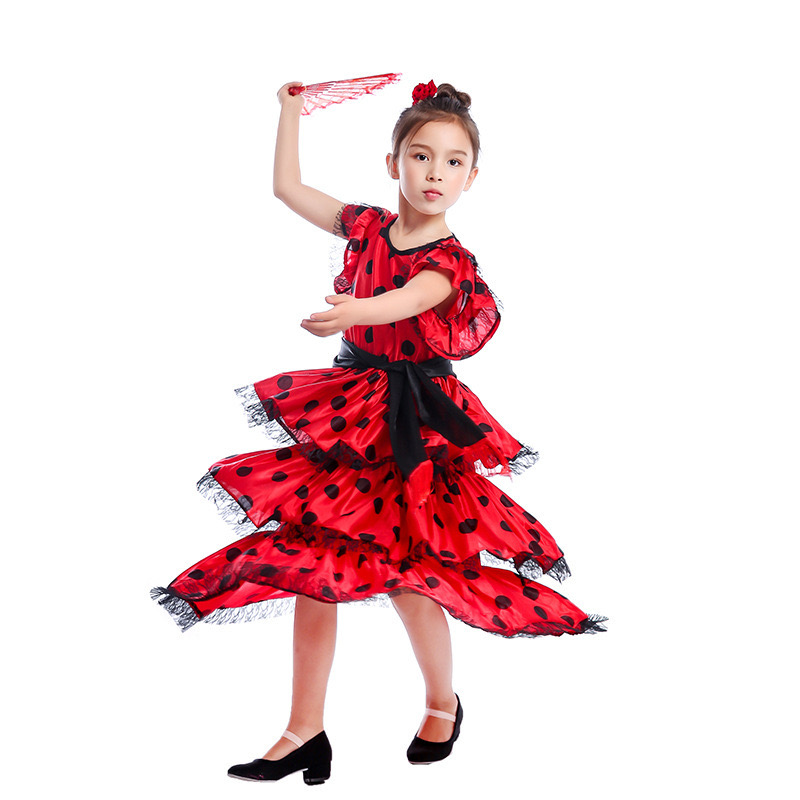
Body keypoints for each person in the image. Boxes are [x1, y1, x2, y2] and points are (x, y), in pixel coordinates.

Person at [151, 79, 606, 786]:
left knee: (412, 580)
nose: (434, 173)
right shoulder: (366, 226)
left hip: (413, 423)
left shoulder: (450, 260)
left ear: (472, 177)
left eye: (453, 161)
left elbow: (412, 298)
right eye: (420, 156)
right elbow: (287, 188)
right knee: (312, 566)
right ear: (393, 163)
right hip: (350, 416)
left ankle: (442, 701)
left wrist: (355, 310)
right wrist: (292, 112)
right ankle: (303, 730)